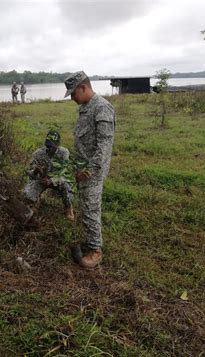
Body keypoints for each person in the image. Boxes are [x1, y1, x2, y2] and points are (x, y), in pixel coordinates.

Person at [64, 70, 115, 269]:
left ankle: (95, 250)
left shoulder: (102, 108)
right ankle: (90, 240)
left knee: (91, 209)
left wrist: (88, 171)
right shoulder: (86, 107)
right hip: (83, 170)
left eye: (73, 94)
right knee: (85, 207)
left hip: (92, 171)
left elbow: (104, 147)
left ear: (83, 87)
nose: (73, 98)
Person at [24, 130, 74, 220]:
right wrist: (35, 171)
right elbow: (29, 174)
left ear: (58, 144)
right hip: (41, 180)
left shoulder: (64, 153)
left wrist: (51, 181)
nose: (50, 149)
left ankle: (68, 208)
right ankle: (36, 202)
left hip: (58, 180)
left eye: (52, 146)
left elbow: (65, 173)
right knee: (27, 193)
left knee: (66, 186)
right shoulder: (38, 154)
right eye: (48, 146)